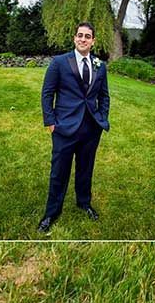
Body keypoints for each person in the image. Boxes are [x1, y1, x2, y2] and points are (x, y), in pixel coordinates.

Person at [40, 21, 110, 234]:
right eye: (80, 35)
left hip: (91, 128)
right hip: (64, 127)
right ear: (74, 38)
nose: (83, 39)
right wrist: (51, 122)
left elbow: (104, 95)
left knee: (85, 168)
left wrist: (102, 118)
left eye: (87, 36)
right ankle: (51, 213)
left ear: (93, 41)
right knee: (58, 171)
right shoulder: (60, 63)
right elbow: (47, 94)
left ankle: (84, 202)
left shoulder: (100, 65)